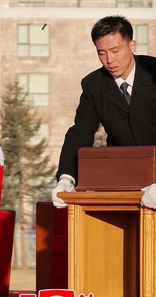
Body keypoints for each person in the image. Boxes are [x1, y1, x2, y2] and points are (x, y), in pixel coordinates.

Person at [52, 15, 156, 209]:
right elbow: (80, 132)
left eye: (115, 51)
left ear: (132, 45)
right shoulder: (93, 85)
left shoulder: (154, 72)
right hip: (123, 180)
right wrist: (66, 179)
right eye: (101, 53)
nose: (109, 60)